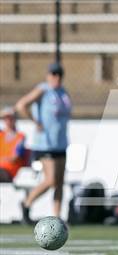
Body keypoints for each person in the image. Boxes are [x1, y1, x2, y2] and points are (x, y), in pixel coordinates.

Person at [15, 63, 72, 224]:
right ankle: (26, 203)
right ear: (48, 75)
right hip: (45, 144)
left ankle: (56, 217)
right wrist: (36, 121)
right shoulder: (43, 89)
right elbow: (21, 105)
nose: (56, 77)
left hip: (60, 143)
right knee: (51, 180)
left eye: (59, 74)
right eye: (53, 74)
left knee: (59, 183)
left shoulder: (63, 92)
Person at [0, 106, 28, 182]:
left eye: (10, 118)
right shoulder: (1, 135)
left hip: (9, 170)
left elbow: (15, 157)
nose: (8, 121)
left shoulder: (20, 137)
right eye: (6, 118)